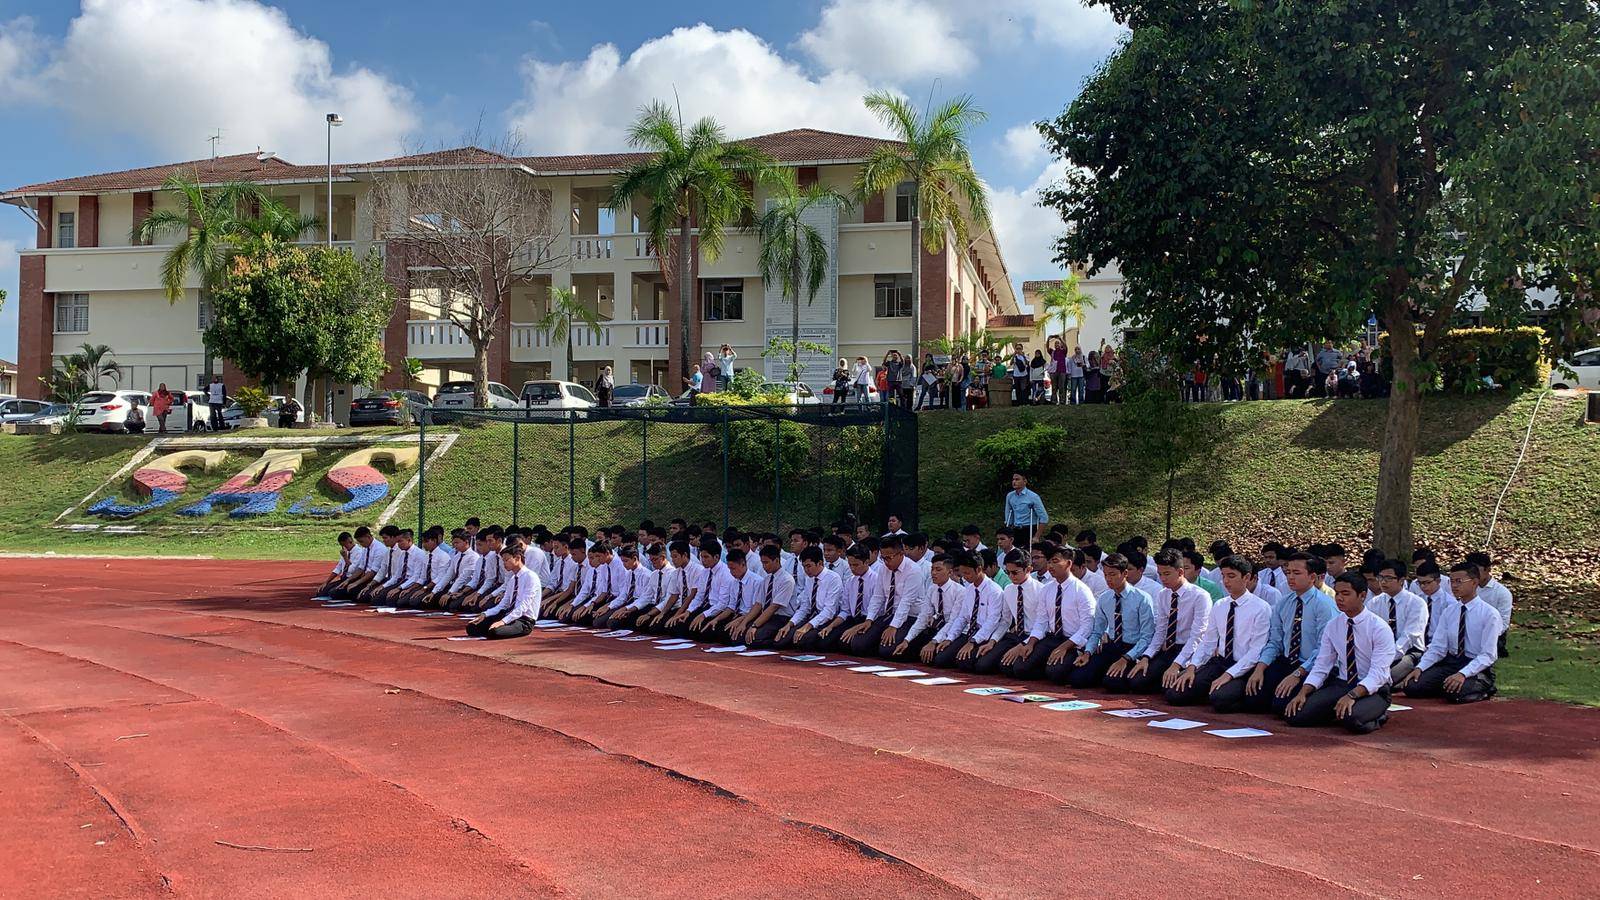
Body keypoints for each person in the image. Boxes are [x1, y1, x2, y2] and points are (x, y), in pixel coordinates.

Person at [1281, 571, 1395, 732]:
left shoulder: (1379, 628)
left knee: (1353, 721)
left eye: (1346, 594)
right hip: (1342, 683)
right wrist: (1303, 692)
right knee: (1295, 716)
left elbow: (1379, 674)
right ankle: (1338, 710)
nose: (1339, 598)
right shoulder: (1334, 625)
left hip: (1373, 688)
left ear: (1362, 595)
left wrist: (1352, 696)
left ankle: (1379, 715)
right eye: (1337, 593)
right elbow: (1322, 665)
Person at [1168, 556, 1271, 709]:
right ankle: (1209, 690)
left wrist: (1229, 675)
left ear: (1247, 577)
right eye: (1223, 576)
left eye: (1231, 576)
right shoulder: (1220, 605)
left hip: (1243, 666)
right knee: (1174, 693)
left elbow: (1256, 650)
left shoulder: (1261, 608)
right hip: (1220, 662)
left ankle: (1239, 696)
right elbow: (1208, 642)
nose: (1226, 581)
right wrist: (1192, 667)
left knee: (1220, 700)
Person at [1244, 552, 1336, 714]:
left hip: (1311, 665)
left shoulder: (1325, 606)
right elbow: (1275, 641)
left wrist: (1298, 674)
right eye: (1288, 573)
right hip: (1287, 661)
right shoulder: (1284, 603)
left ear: (1312, 576)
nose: (1290, 578)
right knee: (1252, 700)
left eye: (1297, 573)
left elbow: (1324, 651)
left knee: (1284, 707)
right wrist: (1260, 668)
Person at [1399, 561, 1500, 704]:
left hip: (1476, 665)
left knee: (1454, 694)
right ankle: (1448, 685)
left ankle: (1483, 688)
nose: (1454, 586)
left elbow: (1488, 655)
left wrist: (1463, 674)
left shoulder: (1489, 614)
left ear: (1474, 582)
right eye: (1452, 581)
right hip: (1452, 662)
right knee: (1412, 687)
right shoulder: (1450, 611)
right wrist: (1420, 667)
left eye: (1459, 581)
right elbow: (1438, 647)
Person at [1064, 554, 1155, 688]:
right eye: (1106, 575)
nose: (1108, 579)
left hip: (1132, 648)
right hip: (1112, 646)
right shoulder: (1104, 598)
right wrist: (1088, 652)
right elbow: (1097, 631)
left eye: (1112, 574)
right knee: (1077, 679)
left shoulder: (1142, 598)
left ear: (1125, 573)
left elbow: (1146, 637)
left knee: (1113, 684)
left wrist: (1126, 658)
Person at [1367, 559, 1429, 682]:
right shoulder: (1374, 603)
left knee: (1386, 677)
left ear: (1401, 580)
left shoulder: (1416, 603)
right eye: (1381, 577)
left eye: (1389, 578)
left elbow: (1409, 637)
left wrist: (1387, 657)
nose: (1383, 582)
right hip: (1380, 650)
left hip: (1409, 651)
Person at [465, 543, 541, 639]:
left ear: (517, 558)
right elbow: (503, 604)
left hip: (523, 620)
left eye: (506, 560)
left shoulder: (531, 577)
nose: (504, 563)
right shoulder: (513, 579)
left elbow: (524, 606)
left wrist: (503, 622)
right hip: (508, 614)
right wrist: (485, 614)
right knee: (472, 628)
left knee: (495, 632)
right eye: (503, 560)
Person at [1464, 550, 1513, 657]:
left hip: (1491, 634)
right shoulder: (1465, 587)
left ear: (1488, 570)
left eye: (1477, 570)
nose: (1474, 575)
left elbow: (1503, 624)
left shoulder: (1502, 593)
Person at [1002, 473, 1049, 546]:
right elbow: (1008, 515)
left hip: (1029, 529)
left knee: (1028, 553)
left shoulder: (1033, 497)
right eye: (1013, 479)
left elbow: (1044, 518)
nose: (1014, 482)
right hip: (1015, 530)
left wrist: (1036, 536)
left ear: (1024, 481)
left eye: (1017, 479)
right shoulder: (1010, 496)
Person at [313, 531, 358, 599]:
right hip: (343, 579)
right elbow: (338, 569)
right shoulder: (345, 552)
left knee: (333, 593)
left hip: (351, 579)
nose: (343, 547)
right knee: (321, 592)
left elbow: (353, 570)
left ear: (350, 541)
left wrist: (345, 558)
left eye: (345, 545)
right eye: (342, 545)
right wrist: (326, 582)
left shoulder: (359, 552)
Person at [1047, 338, 1068, 405]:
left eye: (1058, 343)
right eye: (1055, 343)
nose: (1057, 344)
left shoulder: (1063, 351)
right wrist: (1048, 339)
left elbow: (1065, 346)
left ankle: (1062, 401)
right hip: (1054, 372)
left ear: (1060, 344)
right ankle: (1054, 401)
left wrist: (1060, 339)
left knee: (1061, 387)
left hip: (1062, 371)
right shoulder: (1052, 352)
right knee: (1054, 387)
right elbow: (1047, 347)